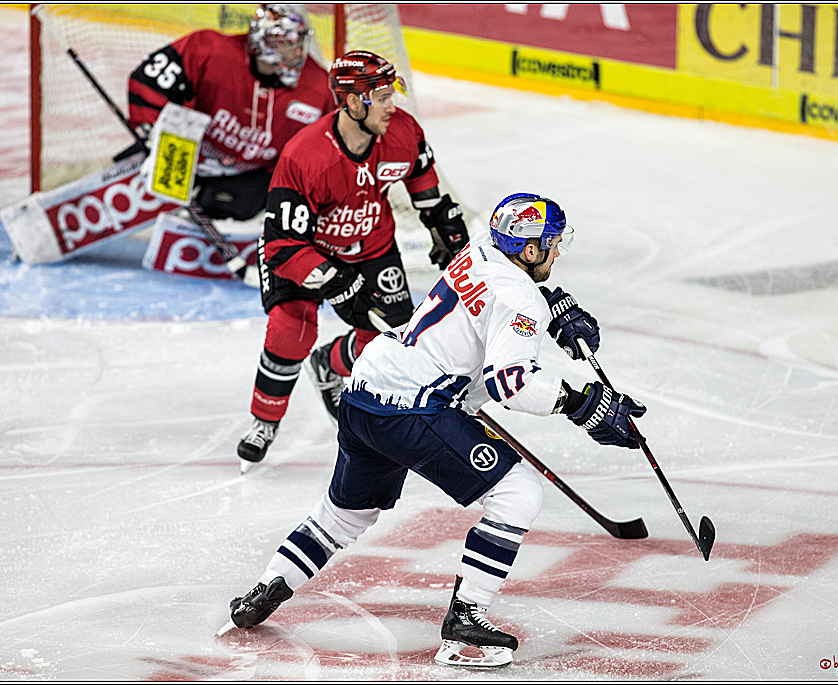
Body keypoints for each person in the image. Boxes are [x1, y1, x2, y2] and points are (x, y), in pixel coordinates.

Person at [225, 193, 647, 668]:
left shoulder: (483, 247)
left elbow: (500, 292)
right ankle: (466, 618)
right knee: (518, 495)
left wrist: (559, 309)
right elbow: (511, 383)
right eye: (550, 244)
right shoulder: (520, 296)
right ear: (529, 251)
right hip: (413, 407)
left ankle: (263, 591)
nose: (555, 252)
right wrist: (584, 403)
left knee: (345, 516)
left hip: (364, 390)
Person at [236, 49, 469, 465]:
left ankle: (329, 363)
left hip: (372, 244)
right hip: (302, 249)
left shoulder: (402, 131)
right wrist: (337, 283)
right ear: (352, 101)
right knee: (292, 330)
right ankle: (264, 421)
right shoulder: (305, 155)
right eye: (381, 97)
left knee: (386, 336)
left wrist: (443, 229)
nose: (391, 105)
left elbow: (424, 185)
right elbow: (282, 244)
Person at [127, 4, 335, 221]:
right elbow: (148, 82)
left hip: (249, 178)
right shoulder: (210, 50)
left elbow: (327, 148)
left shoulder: (319, 87)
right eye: (288, 43)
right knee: (140, 187)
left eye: (299, 41)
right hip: (184, 158)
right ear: (265, 43)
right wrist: (153, 139)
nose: (299, 52)